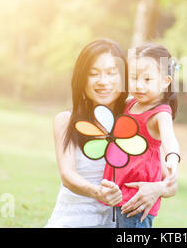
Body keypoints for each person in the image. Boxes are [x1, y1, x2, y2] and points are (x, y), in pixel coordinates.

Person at [46, 38, 177, 228]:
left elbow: (171, 182)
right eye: (93, 74)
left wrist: (155, 189)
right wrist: (97, 192)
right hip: (72, 220)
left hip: (115, 222)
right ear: (82, 78)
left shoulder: (134, 117)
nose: (103, 81)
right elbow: (67, 175)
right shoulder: (66, 120)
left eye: (111, 73)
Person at [103, 43, 181, 228]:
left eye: (147, 79)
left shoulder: (160, 112)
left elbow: (170, 139)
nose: (139, 85)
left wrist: (172, 158)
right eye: (134, 78)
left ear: (165, 81)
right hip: (119, 192)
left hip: (137, 198)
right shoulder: (130, 103)